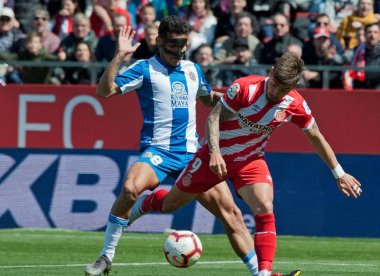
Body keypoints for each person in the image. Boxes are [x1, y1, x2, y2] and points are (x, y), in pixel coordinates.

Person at [133, 52, 363, 276]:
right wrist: (214, 152)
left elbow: (315, 136)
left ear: (295, 85)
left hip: (250, 160)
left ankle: (263, 272)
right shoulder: (244, 88)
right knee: (171, 204)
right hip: (214, 158)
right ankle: (145, 203)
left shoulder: (294, 104)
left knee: (265, 206)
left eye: (283, 89)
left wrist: (339, 173)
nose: (276, 92)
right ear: (270, 73)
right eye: (274, 85)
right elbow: (213, 117)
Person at [84, 16, 258, 276]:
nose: (178, 52)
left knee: (231, 213)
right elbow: (104, 92)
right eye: (172, 46)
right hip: (158, 151)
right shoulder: (144, 69)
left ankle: (261, 273)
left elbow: (208, 99)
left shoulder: (192, 69)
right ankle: (106, 257)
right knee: (131, 189)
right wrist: (119, 56)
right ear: (159, 41)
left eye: (183, 46)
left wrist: (234, 101)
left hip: (192, 155)